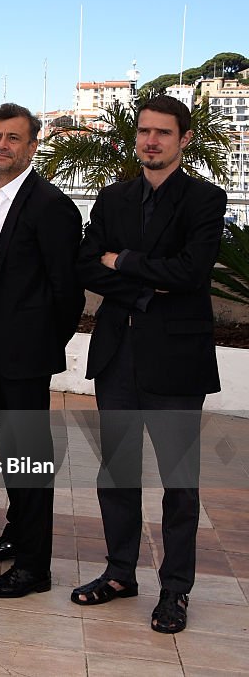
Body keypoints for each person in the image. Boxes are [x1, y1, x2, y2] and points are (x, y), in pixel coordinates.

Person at [72, 95, 226, 634]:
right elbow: (86, 266)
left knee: (179, 484)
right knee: (116, 474)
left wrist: (127, 263)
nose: (150, 141)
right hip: (117, 356)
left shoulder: (206, 200)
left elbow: (190, 273)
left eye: (163, 132)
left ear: (183, 140)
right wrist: (144, 288)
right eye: (143, 131)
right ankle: (119, 573)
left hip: (177, 362)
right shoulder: (111, 200)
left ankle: (175, 590)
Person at [0, 103, 84, 598]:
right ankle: (17, 536)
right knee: (12, 453)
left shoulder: (50, 205)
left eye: (14, 138)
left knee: (29, 458)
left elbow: (67, 292)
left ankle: (35, 567)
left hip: (24, 353)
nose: (2, 146)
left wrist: (42, 346)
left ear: (33, 145)